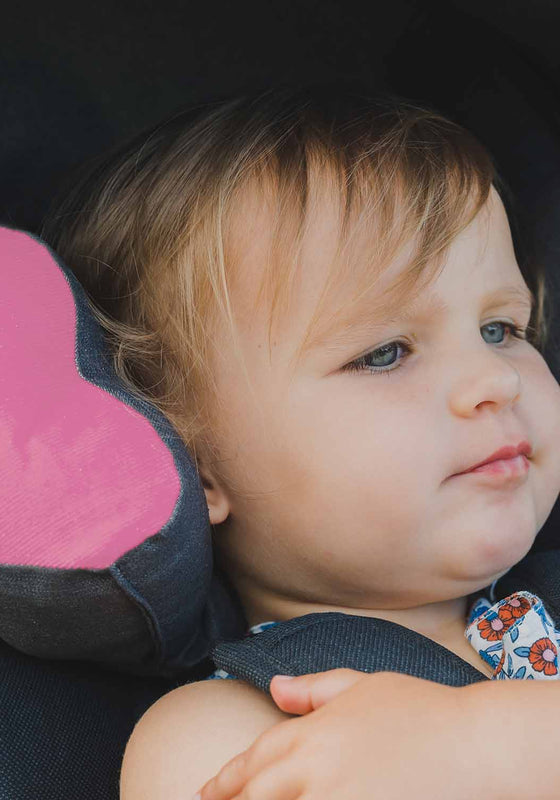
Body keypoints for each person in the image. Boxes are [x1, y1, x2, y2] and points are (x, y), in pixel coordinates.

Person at [40, 80, 560, 799]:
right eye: (384, 353)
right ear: (193, 463)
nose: (494, 379)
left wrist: (498, 745)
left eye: (501, 329)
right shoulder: (223, 738)